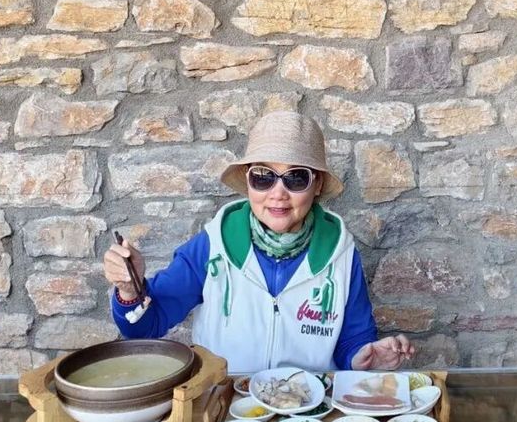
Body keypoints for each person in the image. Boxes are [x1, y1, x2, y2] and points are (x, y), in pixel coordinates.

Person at [103, 111, 415, 374]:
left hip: (308, 411)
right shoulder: (212, 246)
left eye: (296, 178)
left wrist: (366, 358)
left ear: (317, 185)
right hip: (225, 408)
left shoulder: (341, 254)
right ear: (248, 181)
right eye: (263, 177)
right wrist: (130, 291)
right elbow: (145, 327)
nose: (278, 193)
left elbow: (352, 343)